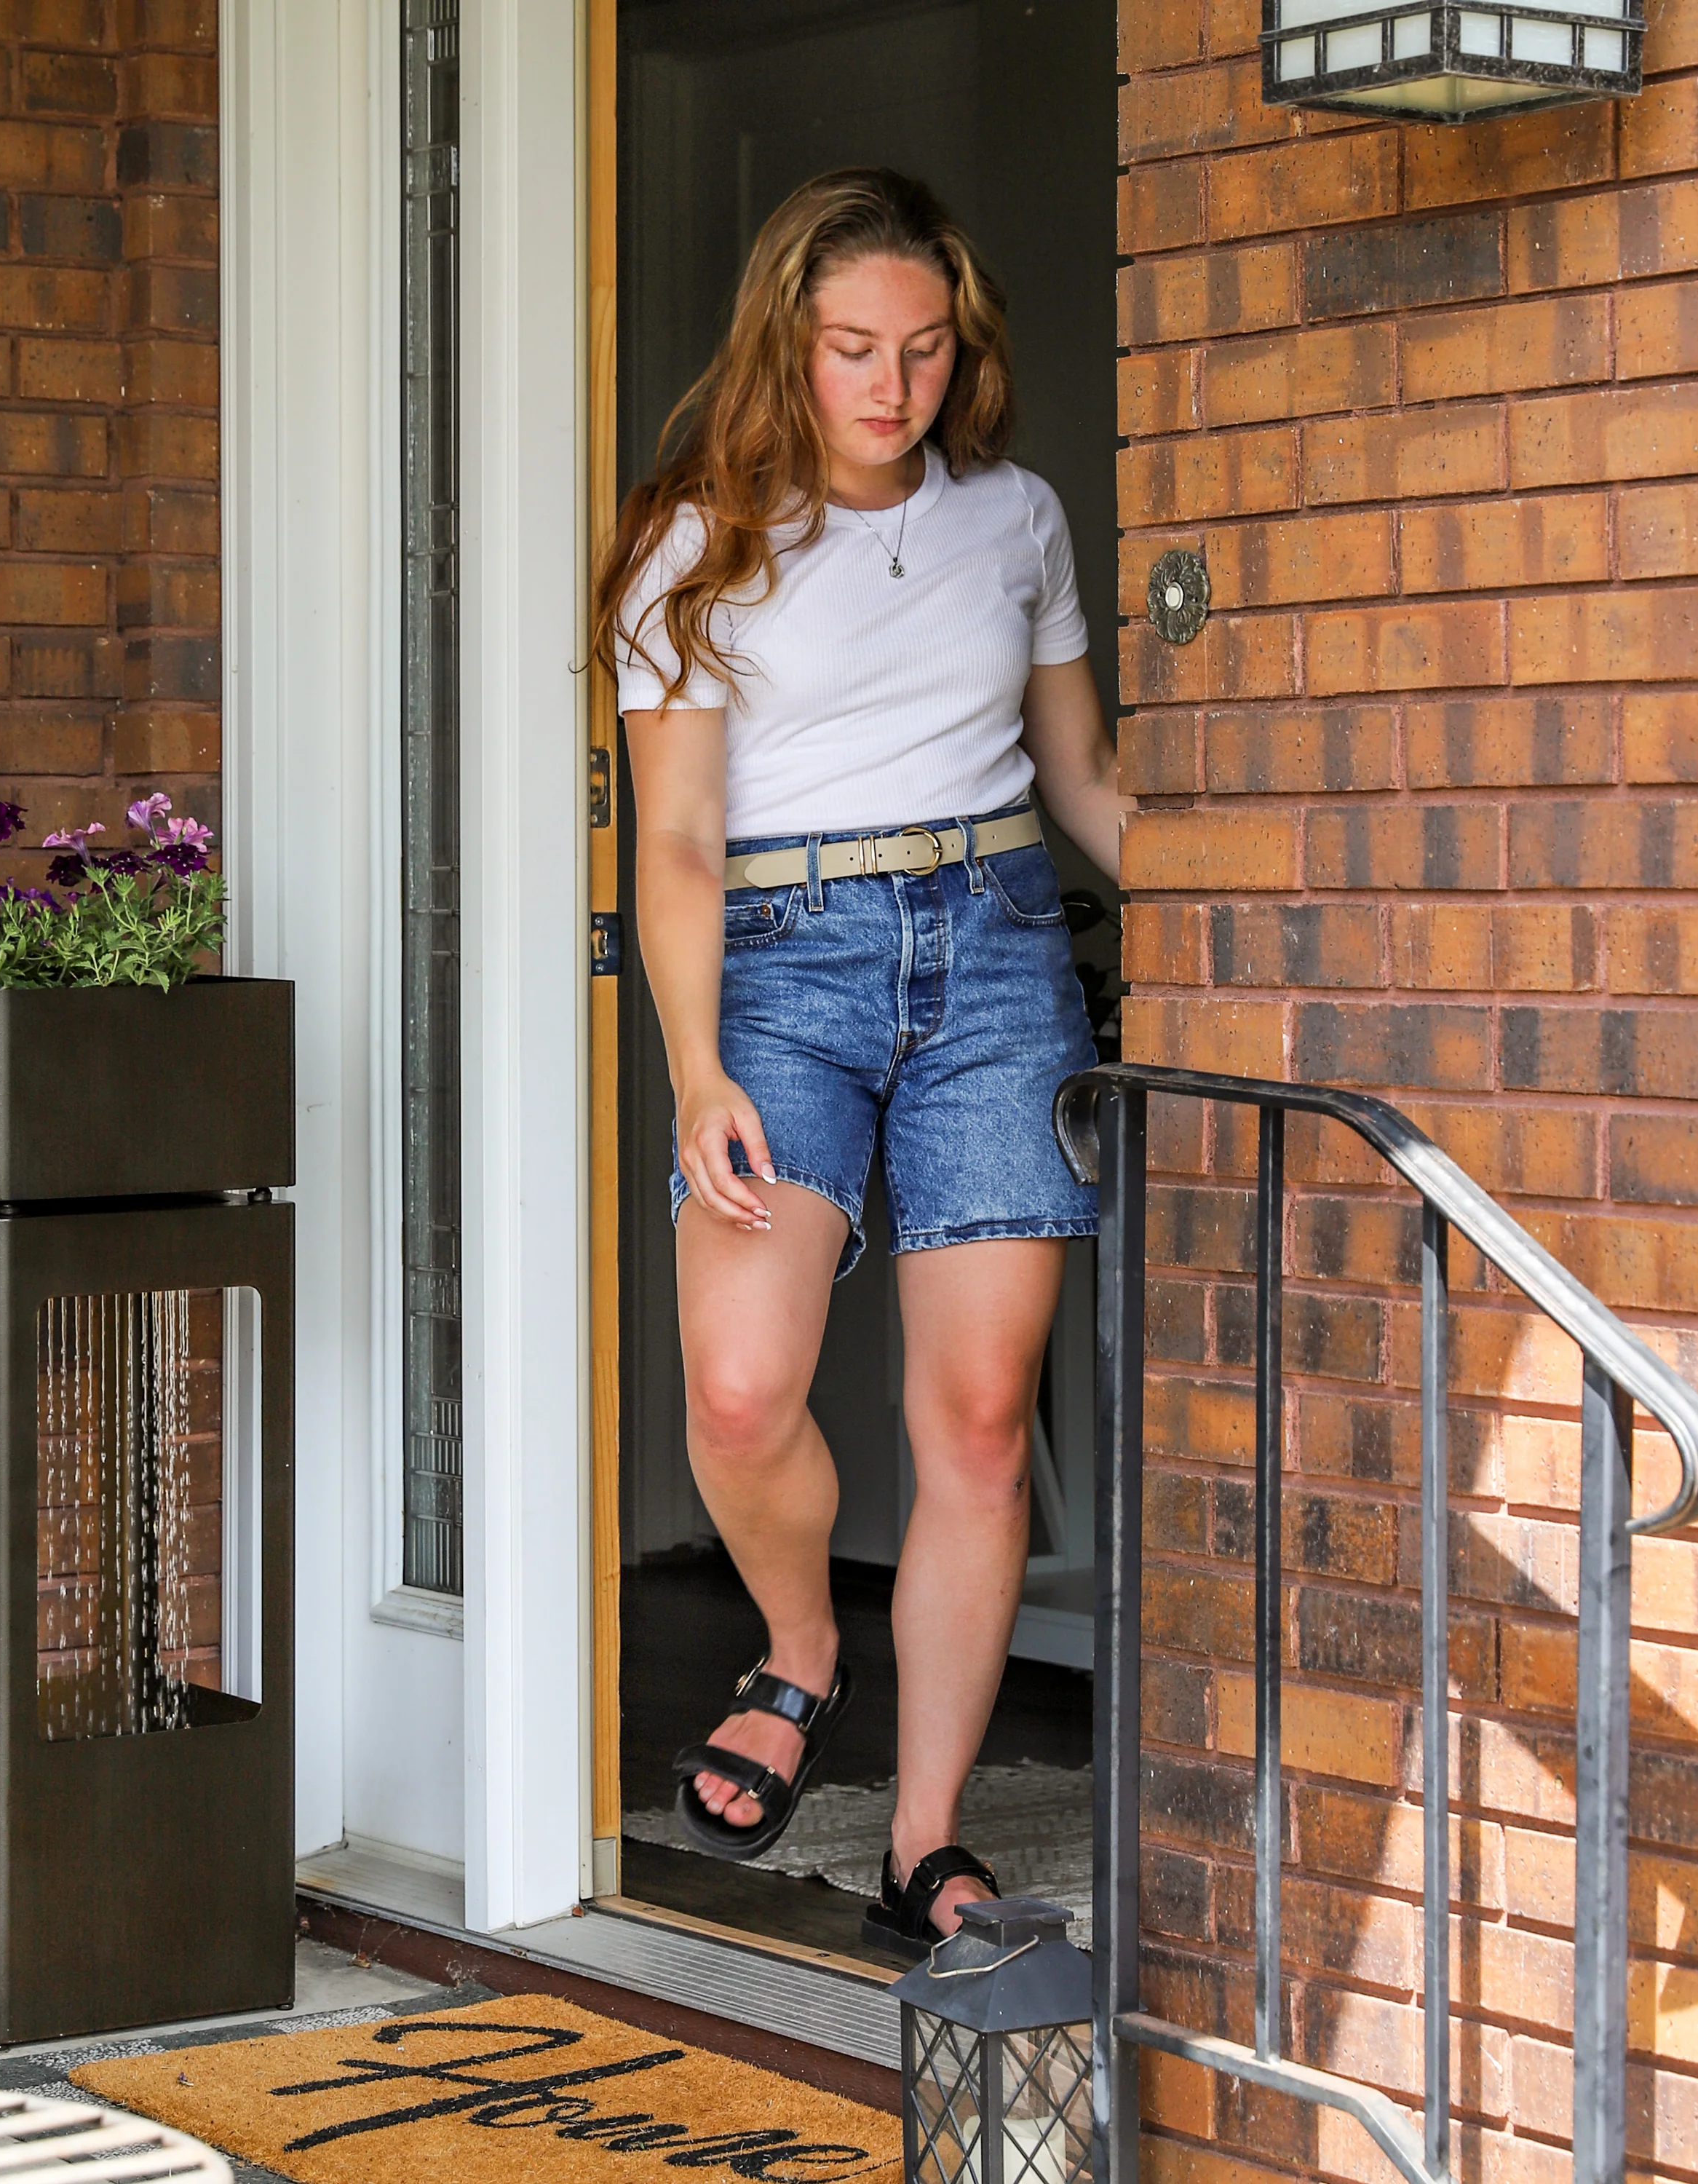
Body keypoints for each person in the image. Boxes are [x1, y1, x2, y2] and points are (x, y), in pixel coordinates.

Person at [591, 167, 1128, 1956]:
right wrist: (691, 1065)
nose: (888, 386)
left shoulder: (1018, 520)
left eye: (919, 349)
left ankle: (924, 1835)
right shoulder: (694, 537)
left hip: (991, 949)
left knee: (975, 1426)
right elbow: (670, 841)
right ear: (787, 348)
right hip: (778, 965)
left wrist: (1281, 906)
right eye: (849, 351)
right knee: (740, 1394)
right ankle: (803, 1645)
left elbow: (1084, 787)